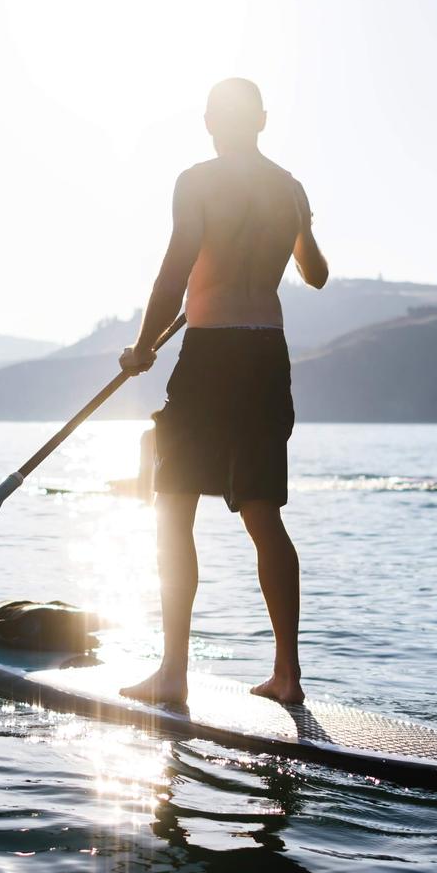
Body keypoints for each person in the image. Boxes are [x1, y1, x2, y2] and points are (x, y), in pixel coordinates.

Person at [115, 78, 328, 707]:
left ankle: (173, 673)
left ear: (210, 122)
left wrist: (144, 346)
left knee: (174, 507)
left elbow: (177, 267)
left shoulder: (197, 181)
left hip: (211, 355)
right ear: (261, 119)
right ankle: (287, 676)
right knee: (264, 516)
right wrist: (304, 222)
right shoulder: (288, 187)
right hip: (266, 352)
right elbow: (314, 275)